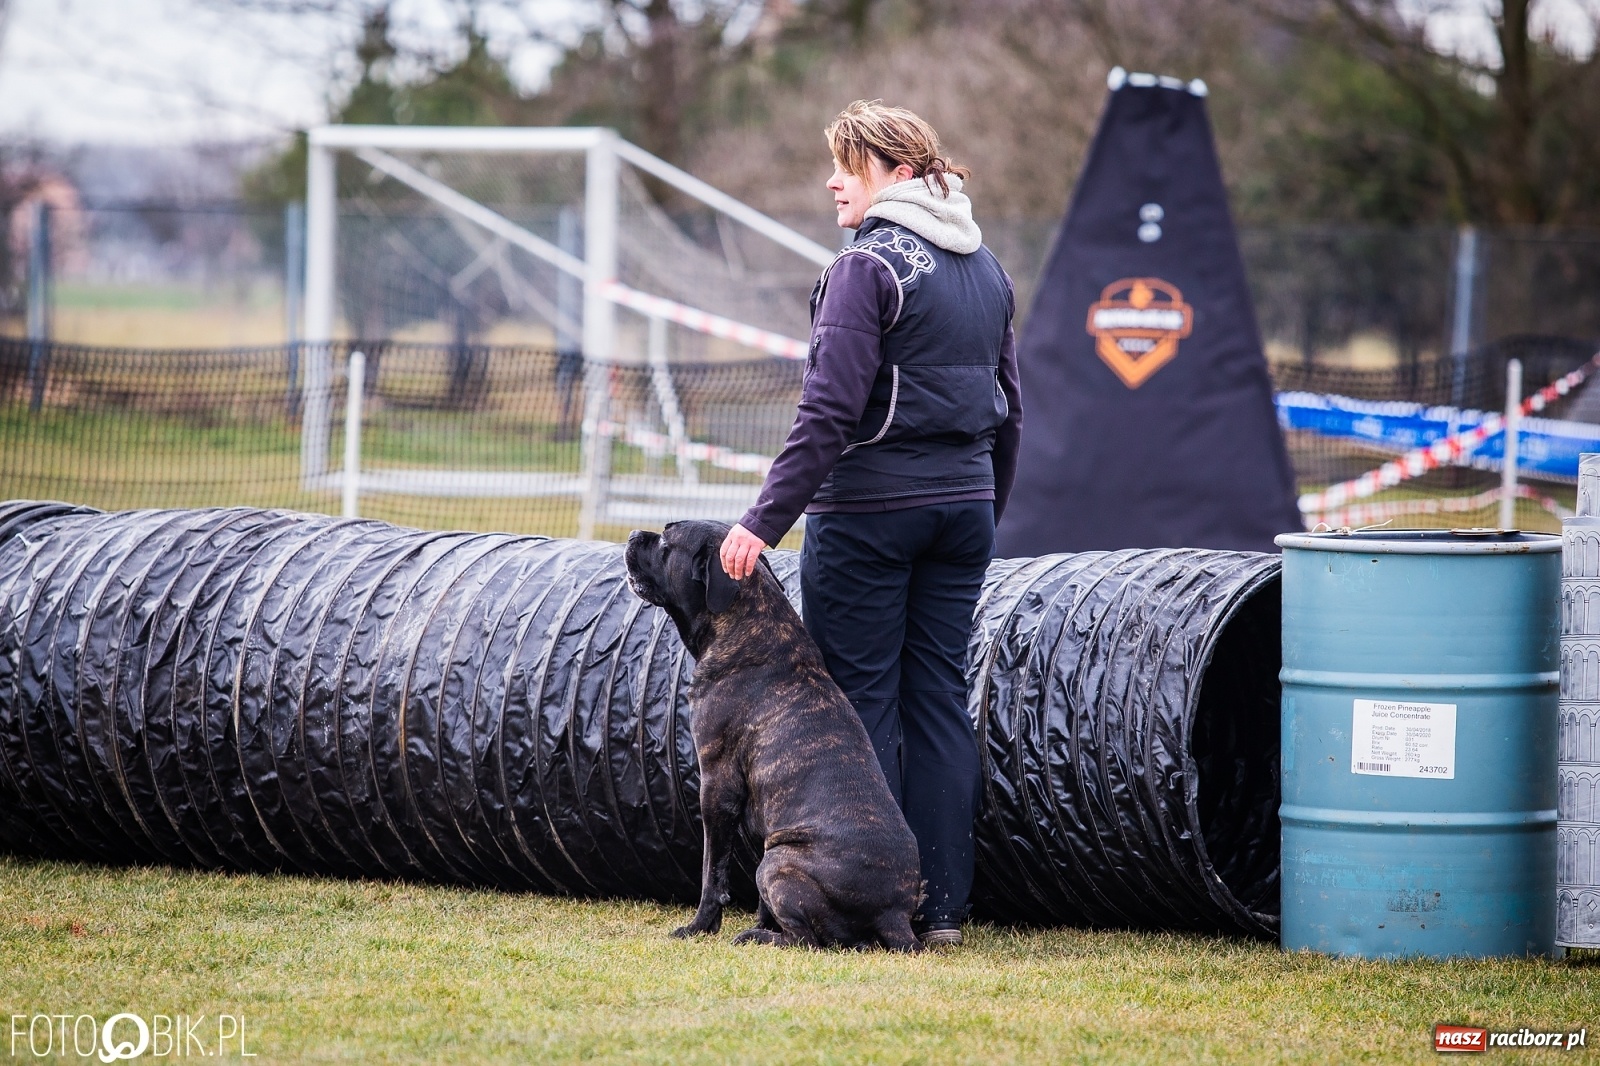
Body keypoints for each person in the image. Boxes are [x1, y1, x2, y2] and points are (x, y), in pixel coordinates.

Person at [718, 99, 1023, 947]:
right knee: (938, 703)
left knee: (858, 709)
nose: (831, 182)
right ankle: (945, 911)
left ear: (892, 172)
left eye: (845, 168)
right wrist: (980, 512)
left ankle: (868, 903)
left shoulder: (866, 266)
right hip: (962, 514)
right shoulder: (987, 268)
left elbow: (828, 411)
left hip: (869, 517)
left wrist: (762, 522)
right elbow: (1011, 410)